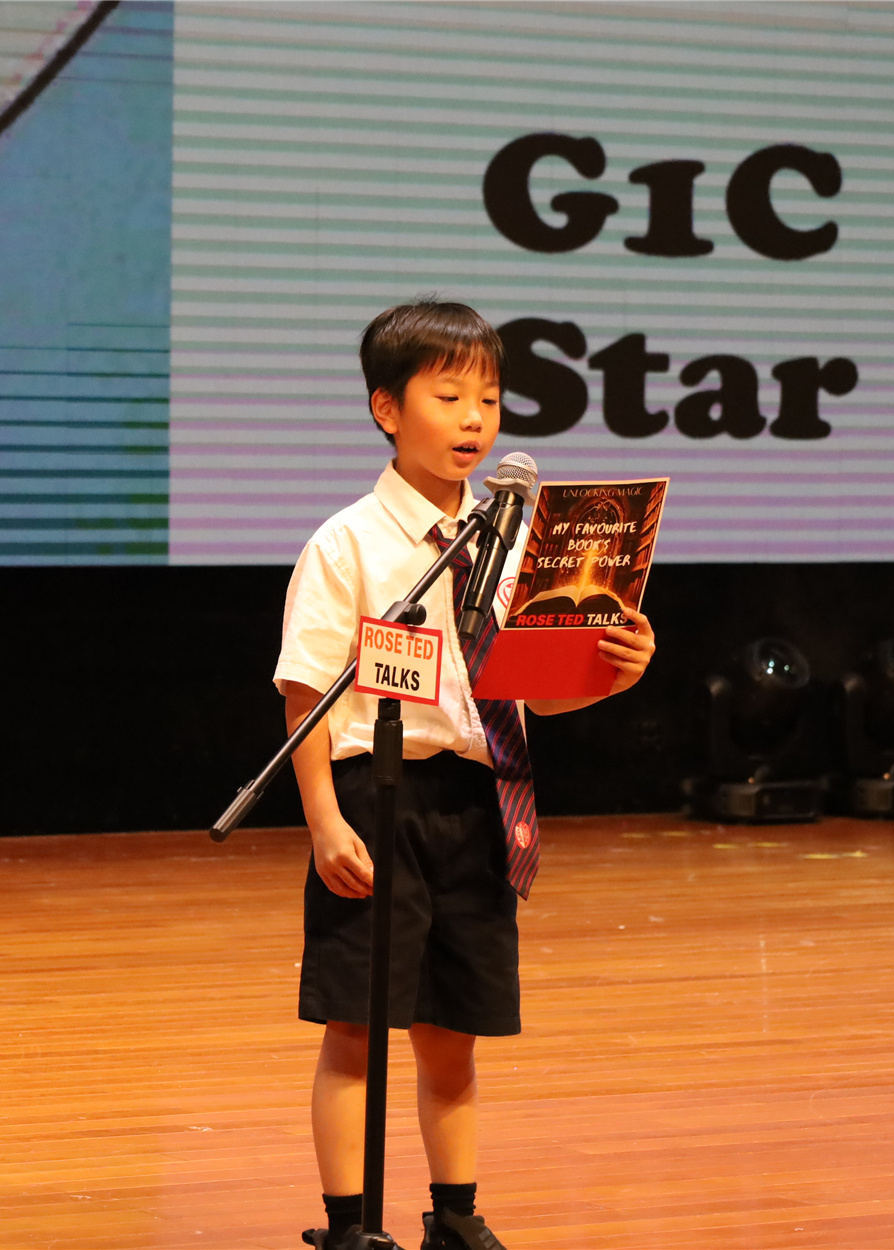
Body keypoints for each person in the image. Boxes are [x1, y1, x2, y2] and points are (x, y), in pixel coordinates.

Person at [274, 300, 656, 1250]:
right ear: (386, 409)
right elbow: (305, 695)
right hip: (376, 797)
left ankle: (455, 1216)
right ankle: (346, 1225)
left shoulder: (521, 546)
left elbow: (533, 696)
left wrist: (610, 675)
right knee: (357, 1028)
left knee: (454, 1031)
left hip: (479, 801)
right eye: (448, 397)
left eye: (488, 398)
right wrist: (323, 820)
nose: (474, 419)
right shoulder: (349, 543)